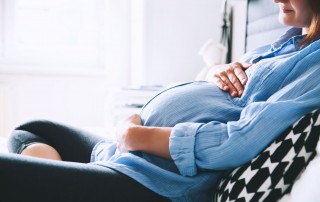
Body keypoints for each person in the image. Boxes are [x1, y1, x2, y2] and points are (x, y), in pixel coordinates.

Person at [1, 0, 320, 201]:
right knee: (30, 131)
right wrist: (215, 72)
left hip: (156, 183)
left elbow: (239, 140)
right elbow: (224, 98)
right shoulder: (289, 42)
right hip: (129, 157)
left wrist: (137, 135)